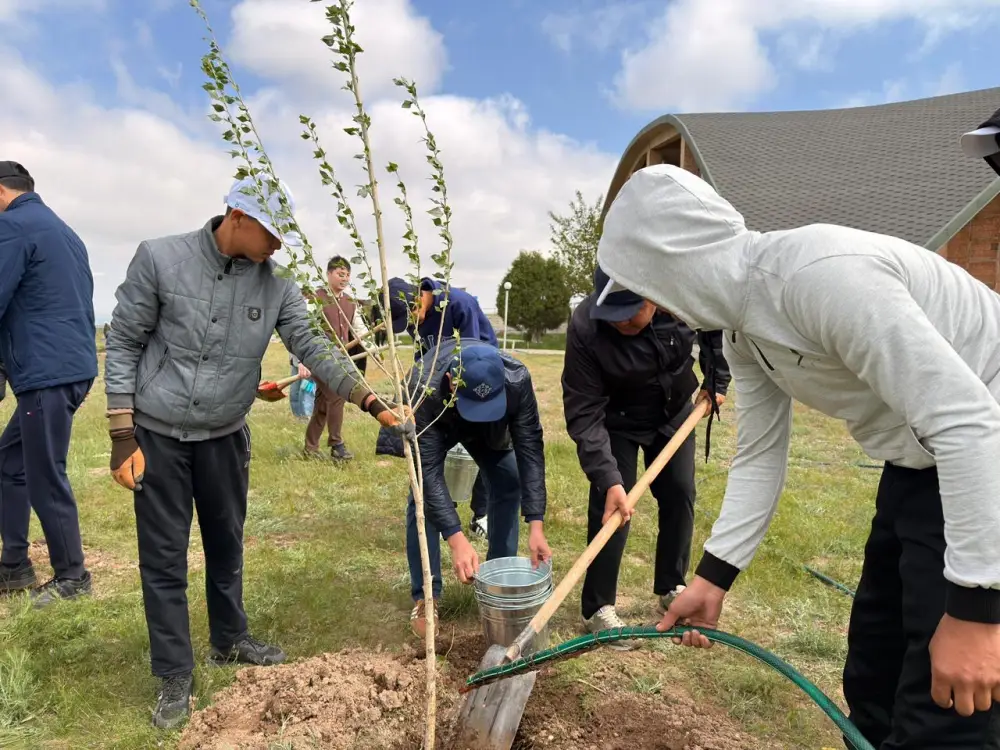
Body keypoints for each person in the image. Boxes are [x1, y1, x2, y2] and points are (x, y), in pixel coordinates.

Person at [596, 163, 1000, 749]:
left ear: (672, 264)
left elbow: (969, 423)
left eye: (649, 282)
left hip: (982, 460)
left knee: (947, 705)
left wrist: (977, 610)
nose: (656, 302)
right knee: (873, 668)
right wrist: (713, 578)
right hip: (919, 464)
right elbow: (759, 455)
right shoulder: (744, 330)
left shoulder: (819, 279)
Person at [104, 176, 407, 730]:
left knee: (227, 541)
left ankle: (229, 637)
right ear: (237, 217)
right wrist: (122, 433)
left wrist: (370, 400)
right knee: (164, 556)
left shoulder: (280, 287)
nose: (280, 245)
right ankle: (174, 673)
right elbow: (123, 342)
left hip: (225, 435)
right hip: (158, 434)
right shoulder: (160, 259)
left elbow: (314, 346)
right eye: (273, 232)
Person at [562, 266, 730, 647]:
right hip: (616, 419)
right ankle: (598, 608)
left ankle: (672, 585)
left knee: (680, 494)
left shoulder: (683, 295)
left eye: (629, 312)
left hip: (674, 413)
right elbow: (583, 409)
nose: (620, 322)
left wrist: (715, 380)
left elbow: (716, 325)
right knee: (613, 508)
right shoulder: (587, 327)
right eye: (613, 314)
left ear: (652, 297)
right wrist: (609, 478)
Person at [392, 339, 552, 638]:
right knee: (421, 498)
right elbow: (427, 473)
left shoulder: (516, 381)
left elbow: (530, 448)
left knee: (509, 480)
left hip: (490, 431)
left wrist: (536, 523)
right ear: (451, 382)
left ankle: (496, 586)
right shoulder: (421, 389)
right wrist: (456, 539)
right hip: (438, 420)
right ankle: (426, 597)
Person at [0, 160, 98, 607]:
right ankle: (15, 564)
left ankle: (72, 577)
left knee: (44, 472)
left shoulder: (15, 228)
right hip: (69, 367)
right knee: (12, 459)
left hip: (46, 370)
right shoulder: (65, 231)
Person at [386, 276, 498, 536]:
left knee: (480, 445)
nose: (413, 325)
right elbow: (423, 359)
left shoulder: (459, 304)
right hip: (441, 382)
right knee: (437, 445)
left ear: (417, 298)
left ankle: (482, 512)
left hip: (477, 375)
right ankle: (445, 509)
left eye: (412, 316)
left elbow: (472, 357)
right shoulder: (416, 320)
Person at [300, 256, 373, 461]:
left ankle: (310, 447)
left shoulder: (350, 302)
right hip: (319, 359)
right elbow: (302, 331)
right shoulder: (316, 298)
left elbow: (359, 329)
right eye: (340, 274)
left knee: (323, 405)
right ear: (329, 274)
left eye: (347, 275)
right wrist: (302, 361)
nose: (345, 278)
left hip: (341, 360)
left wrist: (373, 349)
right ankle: (337, 445)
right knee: (337, 395)